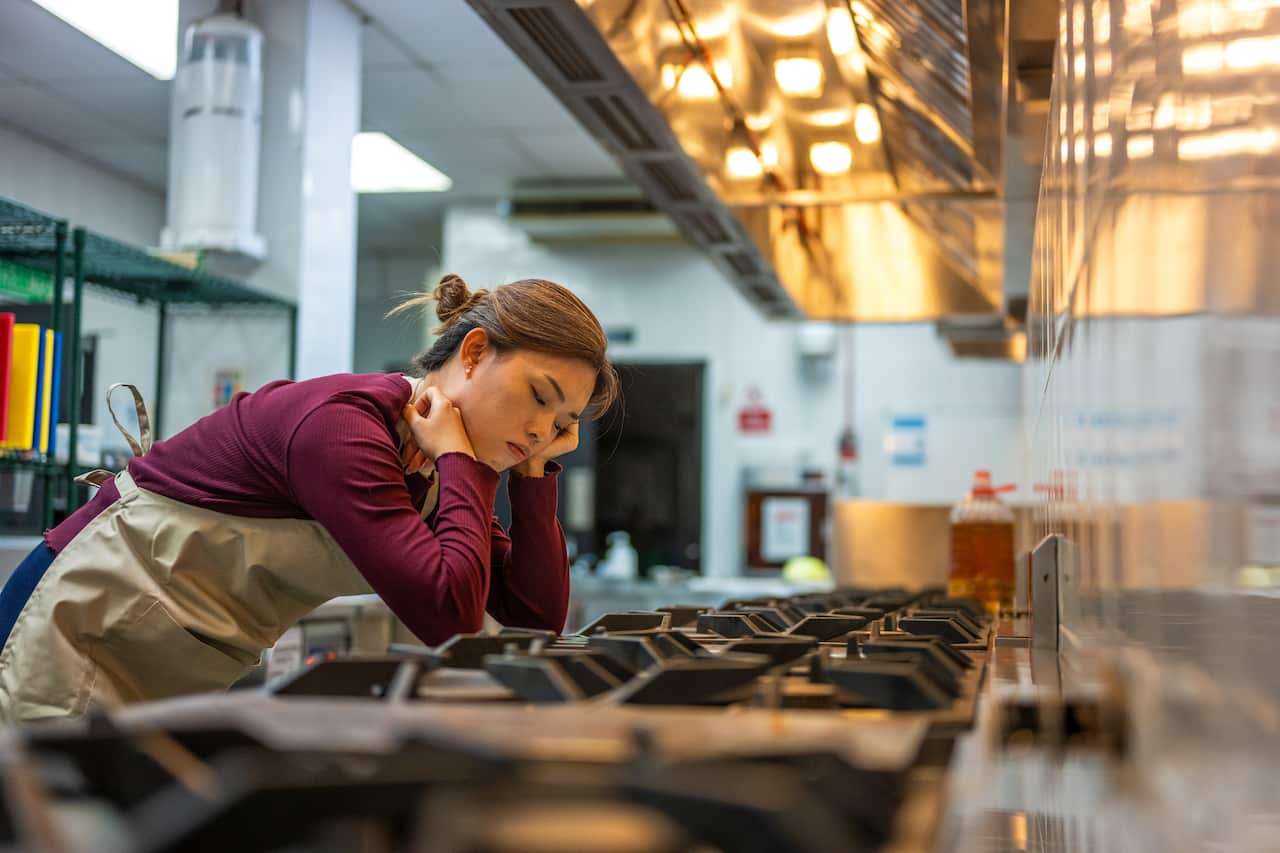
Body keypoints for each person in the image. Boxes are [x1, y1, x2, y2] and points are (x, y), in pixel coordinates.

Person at [0, 274, 618, 723]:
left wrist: (533, 477)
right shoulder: (345, 427)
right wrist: (463, 460)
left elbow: (533, 619)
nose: (544, 430)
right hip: (79, 621)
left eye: (563, 421)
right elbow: (448, 617)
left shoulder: (436, 458)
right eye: (540, 396)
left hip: (165, 660)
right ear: (476, 352)